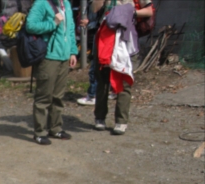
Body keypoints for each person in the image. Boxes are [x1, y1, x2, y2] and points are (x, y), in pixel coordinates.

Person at [92, 0, 153, 135]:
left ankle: (121, 121)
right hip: (105, 40)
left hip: (126, 41)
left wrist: (129, 12)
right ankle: (100, 118)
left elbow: (149, 11)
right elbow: (94, 10)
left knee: (124, 82)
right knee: (103, 82)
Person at [26, 0, 78, 145]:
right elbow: (30, 25)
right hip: (48, 56)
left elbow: (71, 28)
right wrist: (53, 23)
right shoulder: (42, 3)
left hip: (64, 56)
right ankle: (40, 132)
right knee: (44, 97)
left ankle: (55, 128)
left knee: (58, 96)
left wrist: (73, 51)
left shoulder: (66, 4)